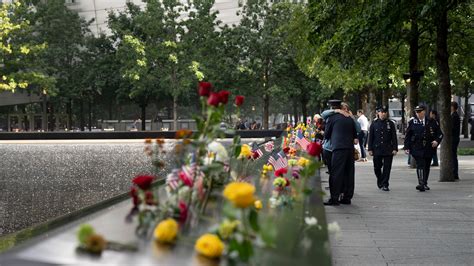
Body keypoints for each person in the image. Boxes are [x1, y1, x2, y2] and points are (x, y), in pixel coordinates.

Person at [323, 100, 358, 206]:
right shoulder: (350, 119)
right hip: (349, 148)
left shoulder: (332, 118)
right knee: (349, 173)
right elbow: (355, 133)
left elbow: (327, 135)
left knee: (336, 173)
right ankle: (347, 197)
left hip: (338, 148)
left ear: (332, 108)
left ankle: (334, 198)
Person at [404, 105, 443, 191]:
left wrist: (436, 141)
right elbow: (408, 135)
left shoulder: (432, 121)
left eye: (420, 112)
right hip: (417, 147)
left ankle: (424, 182)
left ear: (424, 112)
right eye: (416, 112)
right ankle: (421, 183)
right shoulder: (412, 122)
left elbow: (440, 134)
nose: (418, 114)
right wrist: (406, 147)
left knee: (426, 165)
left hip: (428, 147)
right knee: (420, 164)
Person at [367, 106, 398, 191]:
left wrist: (395, 148)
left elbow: (394, 137)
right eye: (381, 112)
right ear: (378, 113)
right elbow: (370, 137)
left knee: (387, 168)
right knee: (377, 167)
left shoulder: (390, 123)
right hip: (377, 149)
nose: (383, 114)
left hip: (388, 149)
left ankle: (385, 184)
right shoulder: (374, 123)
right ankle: (380, 179)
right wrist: (370, 148)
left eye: (385, 112)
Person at [451, 102, 461, 180]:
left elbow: (453, 128)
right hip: (454, 138)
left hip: (454, 138)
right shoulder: (454, 115)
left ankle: (455, 173)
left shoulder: (454, 116)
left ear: (453, 107)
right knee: (453, 155)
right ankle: (454, 172)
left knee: (453, 155)